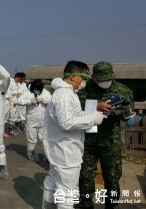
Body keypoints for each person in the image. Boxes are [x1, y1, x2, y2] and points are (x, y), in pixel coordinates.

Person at [42, 61, 107, 209]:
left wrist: (92, 115)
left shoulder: (67, 93)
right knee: (67, 192)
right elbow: (66, 123)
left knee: (53, 182)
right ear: (72, 76)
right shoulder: (64, 95)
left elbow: (74, 116)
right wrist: (91, 119)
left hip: (61, 148)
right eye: (83, 77)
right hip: (66, 151)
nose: (84, 81)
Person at [75, 62, 135, 209]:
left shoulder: (123, 90)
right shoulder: (86, 87)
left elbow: (128, 111)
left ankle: (111, 205)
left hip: (111, 140)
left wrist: (116, 112)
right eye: (101, 79)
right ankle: (86, 203)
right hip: (90, 139)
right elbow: (76, 104)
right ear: (94, 77)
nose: (105, 82)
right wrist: (96, 105)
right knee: (86, 175)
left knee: (112, 176)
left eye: (108, 78)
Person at [17, 79, 51, 162]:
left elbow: (52, 100)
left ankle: (47, 155)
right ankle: (31, 154)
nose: (37, 90)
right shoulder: (28, 93)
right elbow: (19, 101)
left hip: (43, 120)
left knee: (45, 139)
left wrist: (43, 100)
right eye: (35, 88)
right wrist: (29, 101)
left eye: (38, 89)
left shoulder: (45, 92)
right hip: (31, 121)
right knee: (31, 139)